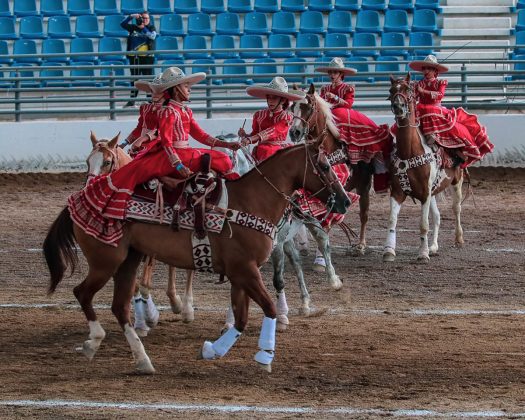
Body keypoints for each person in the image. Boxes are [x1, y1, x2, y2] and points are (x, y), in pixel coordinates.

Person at [68, 67, 242, 246]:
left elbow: (202, 136)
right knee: (221, 160)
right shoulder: (167, 111)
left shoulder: (185, 111)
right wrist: (178, 165)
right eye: (186, 85)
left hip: (182, 152)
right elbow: (166, 142)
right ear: (176, 89)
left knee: (223, 157)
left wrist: (226, 145)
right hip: (172, 155)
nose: (190, 88)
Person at [315, 57, 392, 193]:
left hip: (342, 115)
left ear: (341, 74)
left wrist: (335, 98)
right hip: (330, 116)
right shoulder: (324, 88)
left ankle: (346, 144)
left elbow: (349, 104)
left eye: (335, 72)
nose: (332, 75)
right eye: (331, 72)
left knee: (340, 113)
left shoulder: (347, 87)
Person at [408, 55, 494, 167]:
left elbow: (440, 95)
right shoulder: (419, 83)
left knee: (430, 110)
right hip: (422, 109)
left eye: (428, 68)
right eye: (424, 68)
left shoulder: (440, 82)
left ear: (434, 71)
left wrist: (423, 91)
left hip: (435, 108)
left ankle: (435, 138)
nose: (425, 71)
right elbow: (415, 97)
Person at [238, 77, 305, 163]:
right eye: (268, 97)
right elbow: (254, 134)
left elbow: (274, 130)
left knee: (267, 151)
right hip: (261, 150)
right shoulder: (258, 115)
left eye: (274, 98)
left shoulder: (287, 116)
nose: (270, 101)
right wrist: (245, 136)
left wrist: (250, 139)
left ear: (283, 100)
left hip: (277, 149)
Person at [121, 74, 163, 158]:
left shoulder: (168, 109)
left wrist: (142, 139)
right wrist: (125, 143)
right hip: (142, 145)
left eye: (159, 91)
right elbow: (140, 127)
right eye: (152, 90)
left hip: (158, 145)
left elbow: (161, 130)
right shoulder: (145, 108)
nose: (154, 94)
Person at [120, 12, 157, 108]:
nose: (145, 20)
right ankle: (132, 101)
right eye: (142, 18)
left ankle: (150, 100)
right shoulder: (133, 27)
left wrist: (143, 28)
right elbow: (122, 24)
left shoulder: (151, 28)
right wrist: (131, 16)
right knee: (134, 79)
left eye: (147, 18)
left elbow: (152, 36)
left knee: (149, 79)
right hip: (134, 57)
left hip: (147, 58)